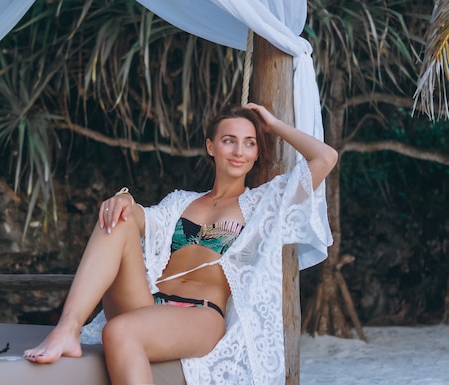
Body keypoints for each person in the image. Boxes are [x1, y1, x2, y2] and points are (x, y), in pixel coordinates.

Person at [23, 103, 338, 385]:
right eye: (229, 140)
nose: (239, 151)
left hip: (199, 317)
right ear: (211, 146)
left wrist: (271, 123)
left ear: (256, 154)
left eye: (249, 143)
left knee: (120, 332)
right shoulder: (180, 202)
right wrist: (125, 199)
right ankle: (67, 329)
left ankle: (74, 333)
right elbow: (138, 217)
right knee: (118, 216)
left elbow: (326, 157)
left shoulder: (264, 205)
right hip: (147, 304)